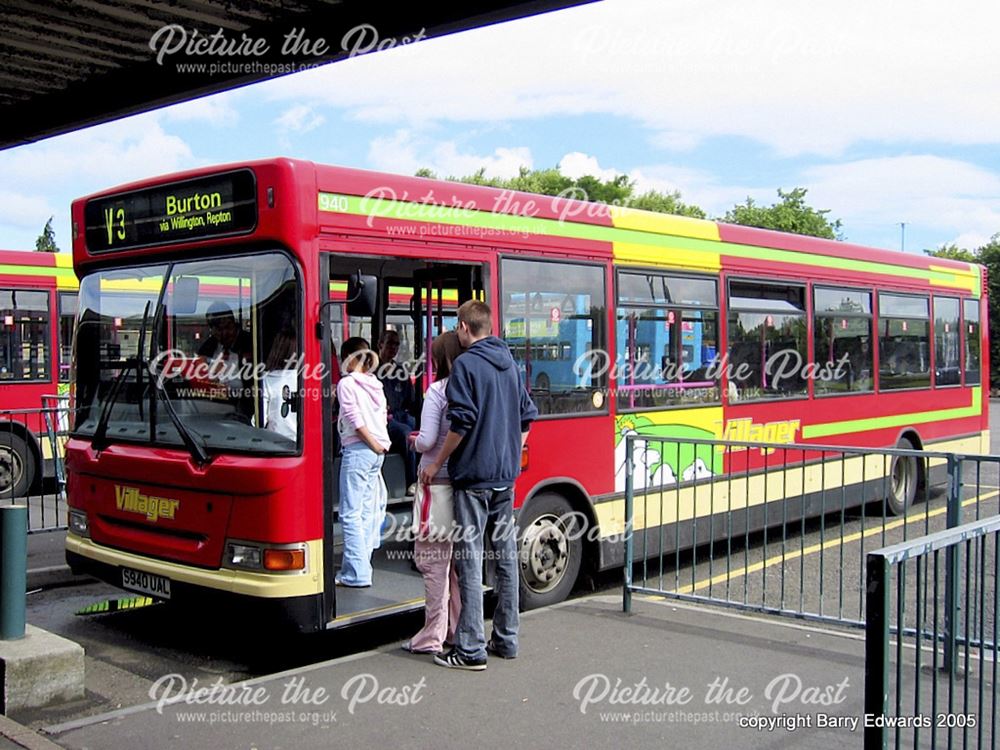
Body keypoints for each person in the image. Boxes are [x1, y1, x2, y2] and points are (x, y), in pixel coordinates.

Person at [420, 300, 538, 671]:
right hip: (505, 477)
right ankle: (506, 638)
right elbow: (527, 416)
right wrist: (508, 450)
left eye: (457, 327)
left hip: (473, 478)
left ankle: (469, 649)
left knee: (469, 560)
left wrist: (438, 462)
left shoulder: (467, 366)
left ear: (464, 327)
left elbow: (462, 422)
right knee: (504, 557)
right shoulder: (510, 364)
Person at [402, 331, 464, 655]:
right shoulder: (468, 389)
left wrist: (412, 440)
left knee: (431, 561)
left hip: (434, 482)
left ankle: (431, 635)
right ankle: (456, 629)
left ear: (440, 359)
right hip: (460, 483)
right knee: (455, 564)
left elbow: (426, 440)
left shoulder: (437, 391)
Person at [335, 337, 391, 588]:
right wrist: (379, 446)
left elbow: (355, 421)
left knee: (350, 513)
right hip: (377, 453)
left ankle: (356, 573)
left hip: (360, 450)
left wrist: (371, 443)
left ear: (348, 358)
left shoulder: (346, 384)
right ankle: (360, 563)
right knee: (367, 511)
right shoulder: (374, 383)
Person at [377, 330, 418, 492]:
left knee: (417, 429)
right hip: (382, 419)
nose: (393, 348)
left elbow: (411, 400)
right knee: (406, 434)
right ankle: (411, 481)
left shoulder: (401, 371)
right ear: (380, 345)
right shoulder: (373, 370)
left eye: (396, 344)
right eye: (389, 343)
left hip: (401, 415)